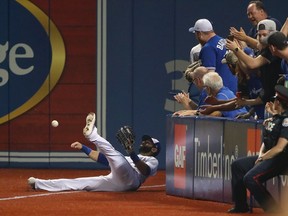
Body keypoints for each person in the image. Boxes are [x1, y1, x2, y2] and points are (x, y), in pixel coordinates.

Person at [27, 112, 160, 192]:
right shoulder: (129, 157)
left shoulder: (153, 160)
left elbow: (145, 171)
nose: (143, 143)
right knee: (80, 182)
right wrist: (84, 148)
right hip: (117, 182)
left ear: (154, 149)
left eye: (148, 143)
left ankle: (93, 135)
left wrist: (131, 152)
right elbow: (104, 159)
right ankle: (39, 184)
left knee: (114, 154)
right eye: (144, 141)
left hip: (132, 181)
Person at [227, 85, 288, 214]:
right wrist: (261, 155)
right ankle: (241, 205)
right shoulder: (275, 119)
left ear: (278, 102)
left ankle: (274, 210)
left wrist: (262, 158)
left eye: (275, 100)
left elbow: (279, 148)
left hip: (283, 159)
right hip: (271, 157)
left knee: (250, 178)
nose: (272, 102)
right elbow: (266, 143)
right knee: (238, 165)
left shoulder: (286, 121)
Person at [226, 19, 283, 113]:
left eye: (264, 35)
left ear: (273, 35)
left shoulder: (272, 51)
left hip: (278, 99)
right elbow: (258, 44)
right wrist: (245, 38)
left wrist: (236, 49)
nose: (261, 38)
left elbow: (252, 64)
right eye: (259, 35)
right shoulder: (266, 47)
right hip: (270, 97)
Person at [189, 18, 238, 94]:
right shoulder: (223, 40)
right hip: (233, 89)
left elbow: (209, 78)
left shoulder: (208, 48)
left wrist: (192, 75)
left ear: (199, 34)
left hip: (220, 93)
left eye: (196, 34)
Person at [174, 72, 247, 118]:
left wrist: (188, 109)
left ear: (208, 88)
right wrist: (189, 102)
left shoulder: (222, 95)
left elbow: (213, 116)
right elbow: (204, 111)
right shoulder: (223, 91)